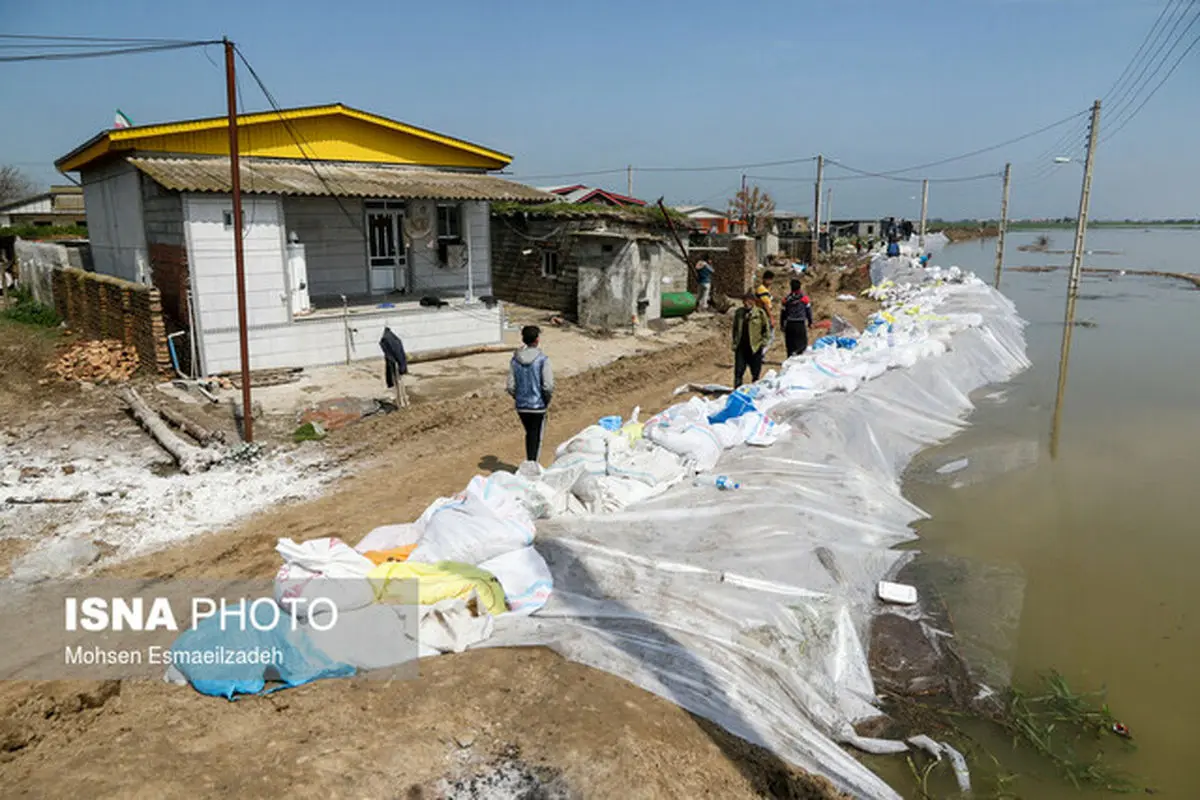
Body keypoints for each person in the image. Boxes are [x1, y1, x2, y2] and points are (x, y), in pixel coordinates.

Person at [506, 325, 554, 465]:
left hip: (522, 406)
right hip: (538, 406)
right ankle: (532, 468)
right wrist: (546, 399)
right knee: (536, 438)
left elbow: (510, 386)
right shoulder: (543, 360)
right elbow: (548, 385)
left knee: (530, 435)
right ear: (537, 339)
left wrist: (519, 396)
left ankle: (530, 463)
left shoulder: (515, 360)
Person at [731, 292, 769, 388]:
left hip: (755, 347)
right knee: (738, 371)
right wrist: (735, 342)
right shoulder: (739, 313)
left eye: (748, 301)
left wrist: (763, 342)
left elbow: (766, 329)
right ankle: (737, 390)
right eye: (744, 301)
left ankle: (754, 390)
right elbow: (735, 329)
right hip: (741, 346)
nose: (745, 303)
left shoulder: (760, 313)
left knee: (755, 372)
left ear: (753, 302)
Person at [780, 279, 813, 357]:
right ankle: (799, 362)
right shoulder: (804, 299)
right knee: (801, 345)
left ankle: (789, 362)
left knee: (790, 346)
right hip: (800, 324)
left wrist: (782, 324)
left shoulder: (786, 299)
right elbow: (808, 311)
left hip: (790, 324)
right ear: (800, 288)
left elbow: (783, 313)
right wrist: (810, 322)